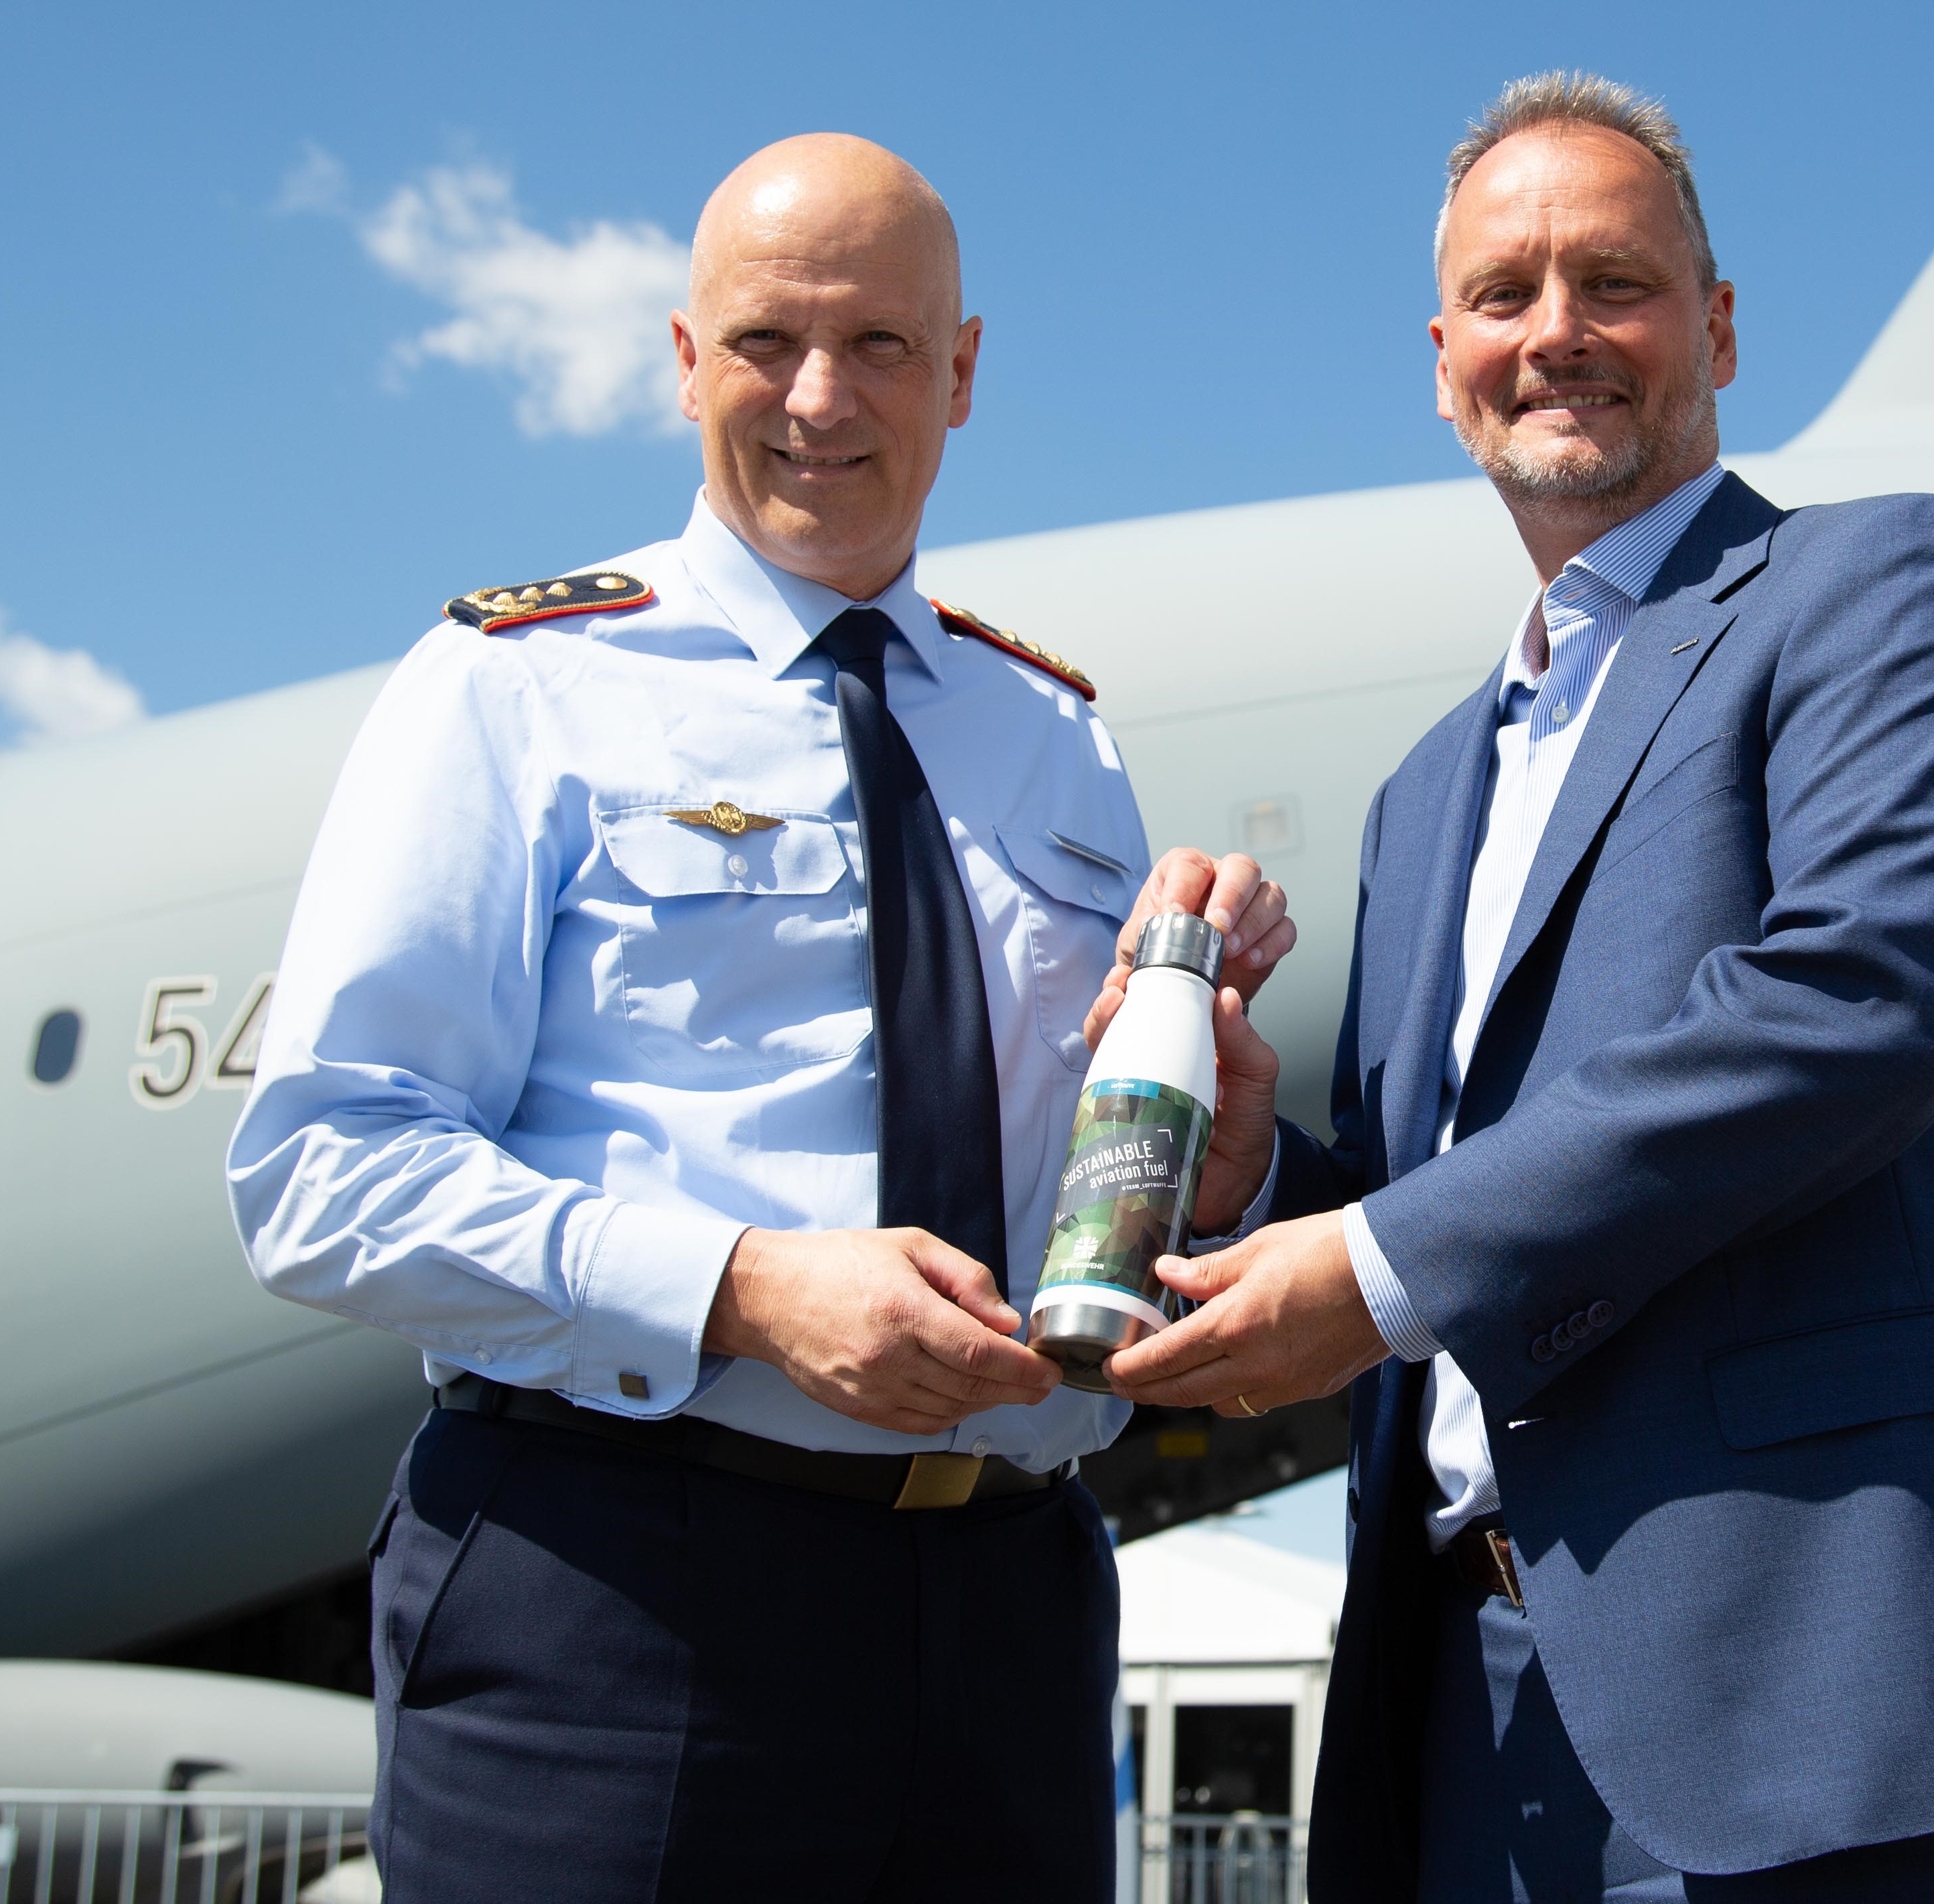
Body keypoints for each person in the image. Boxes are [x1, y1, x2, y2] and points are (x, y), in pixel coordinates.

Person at [1095, 74, 1934, 1902]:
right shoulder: (1430, 786)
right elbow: (1453, 1203)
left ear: (1718, 324)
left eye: (1615, 281)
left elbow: (1852, 1003)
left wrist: (1358, 1265)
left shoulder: (1887, 582)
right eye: (1504, 295)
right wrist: (1261, 1179)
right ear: (1441, 359)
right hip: (1473, 1709)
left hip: (1833, 1695)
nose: (1556, 332)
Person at [226, 133, 1290, 1901]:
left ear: (961, 374)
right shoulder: (518, 683)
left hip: (1010, 1615)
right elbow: (322, 1172)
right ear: (679, 359)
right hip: (625, 1600)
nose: (817, 397)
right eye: (763, 342)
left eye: (879, 344)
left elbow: (1081, 1178)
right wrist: (742, 1286)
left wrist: (1222, 1158)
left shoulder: (1054, 733)